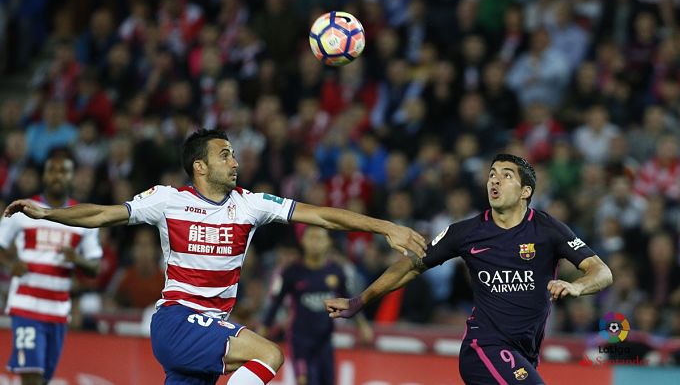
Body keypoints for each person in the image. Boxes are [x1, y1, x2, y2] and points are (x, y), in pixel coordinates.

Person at [4, 129, 425, 385]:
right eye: (225, 154)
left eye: (234, 154)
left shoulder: (251, 204)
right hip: (176, 319)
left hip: (209, 328)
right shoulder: (167, 200)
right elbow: (102, 214)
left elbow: (324, 216)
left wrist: (385, 226)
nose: (235, 161)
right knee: (270, 355)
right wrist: (47, 213)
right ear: (200, 166)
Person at [325, 154, 613, 384]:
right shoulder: (466, 232)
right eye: (491, 174)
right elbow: (409, 267)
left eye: (506, 175)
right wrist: (360, 300)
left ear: (525, 191)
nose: (494, 180)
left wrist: (577, 286)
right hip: (483, 348)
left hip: (524, 354)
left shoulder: (548, 229)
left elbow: (602, 272)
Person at [0, 150, 102, 385]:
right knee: (31, 377)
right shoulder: (23, 210)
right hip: (25, 304)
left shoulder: (82, 216)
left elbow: (95, 267)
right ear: (44, 175)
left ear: (72, 176)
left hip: (58, 309)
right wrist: (10, 264)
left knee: (44, 379)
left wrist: (77, 260)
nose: (57, 176)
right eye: (52, 170)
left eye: (63, 171)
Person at [260, 226, 372, 385]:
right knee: (305, 382)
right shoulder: (291, 272)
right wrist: (264, 329)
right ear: (303, 241)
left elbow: (349, 303)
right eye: (311, 238)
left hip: (325, 341)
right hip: (300, 341)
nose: (315, 243)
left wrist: (363, 326)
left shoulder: (336, 271)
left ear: (328, 242)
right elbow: (275, 303)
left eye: (319, 238)